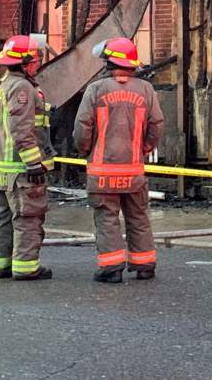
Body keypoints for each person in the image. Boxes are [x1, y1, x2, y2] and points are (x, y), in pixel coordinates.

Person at [73, 38, 165, 284]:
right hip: (133, 170)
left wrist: (84, 150)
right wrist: (144, 148)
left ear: (109, 62)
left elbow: (82, 127)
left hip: (103, 171)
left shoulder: (96, 89)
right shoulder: (146, 89)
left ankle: (111, 269)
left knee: (107, 218)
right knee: (138, 216)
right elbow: (157, 125)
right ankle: (144, 265)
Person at [0, 34, 56, 281]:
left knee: (2, 218)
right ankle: (26, 268)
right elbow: (21, 129)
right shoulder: (23, 88)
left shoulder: (7, 85)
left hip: (4, 171)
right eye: (35, 60)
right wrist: (33, 163)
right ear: (25, 63)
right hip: (22, 171)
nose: (38, 63)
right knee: (28, 218)